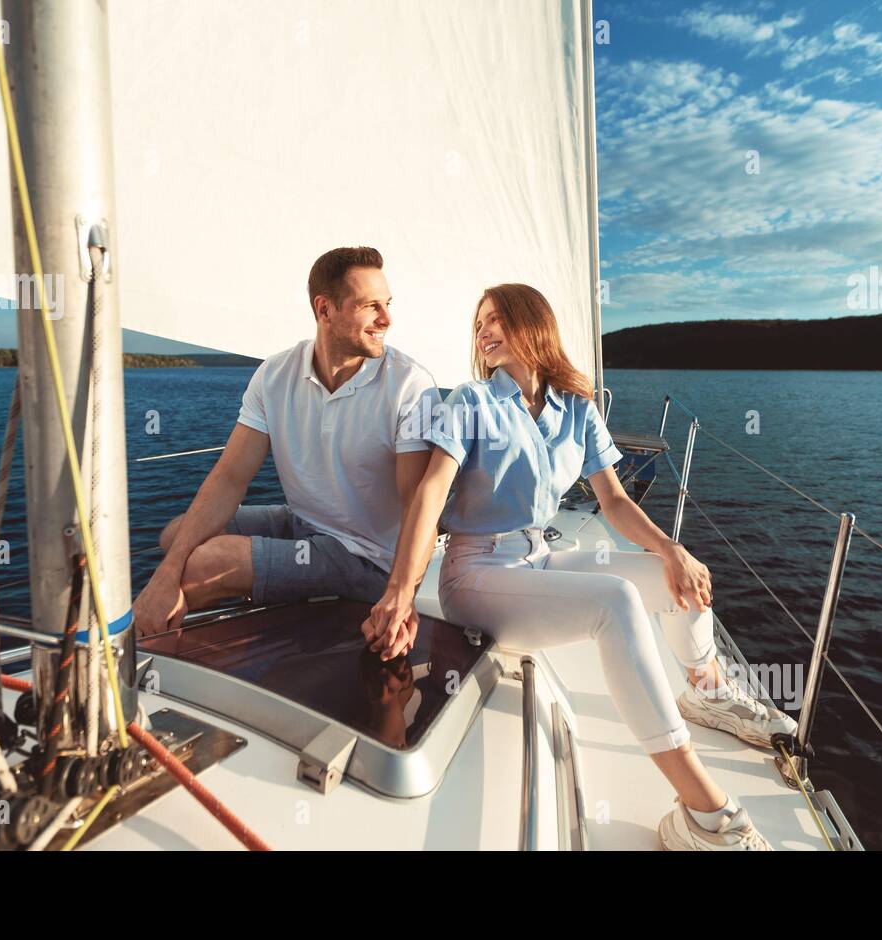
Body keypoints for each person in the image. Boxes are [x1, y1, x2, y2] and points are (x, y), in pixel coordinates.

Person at [361, 283, 796, 851]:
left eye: (497, 320)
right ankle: (705, 812)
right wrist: (401, 589)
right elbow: (431, 492)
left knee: (675, 574)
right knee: (613, 602)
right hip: (476, 572)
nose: (484, 332)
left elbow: (612, 500)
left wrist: (670, 548)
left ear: (532, 325)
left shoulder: (577, 407)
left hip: (540, 556)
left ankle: (708, 692)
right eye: (479, 325)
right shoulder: (472, 402)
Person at [134, 246, 440, 636]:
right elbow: (230, 477)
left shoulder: (409, 385)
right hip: (304, 525)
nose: (387, 319)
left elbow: (420, 505)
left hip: (368, 558)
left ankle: (169, 645)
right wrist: (165, 574)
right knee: (175, 537)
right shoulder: (275, 374)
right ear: (324, 309)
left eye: (388, 304)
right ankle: (233, 604)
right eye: (371, 306)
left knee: (203, 565)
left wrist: (401, 595)